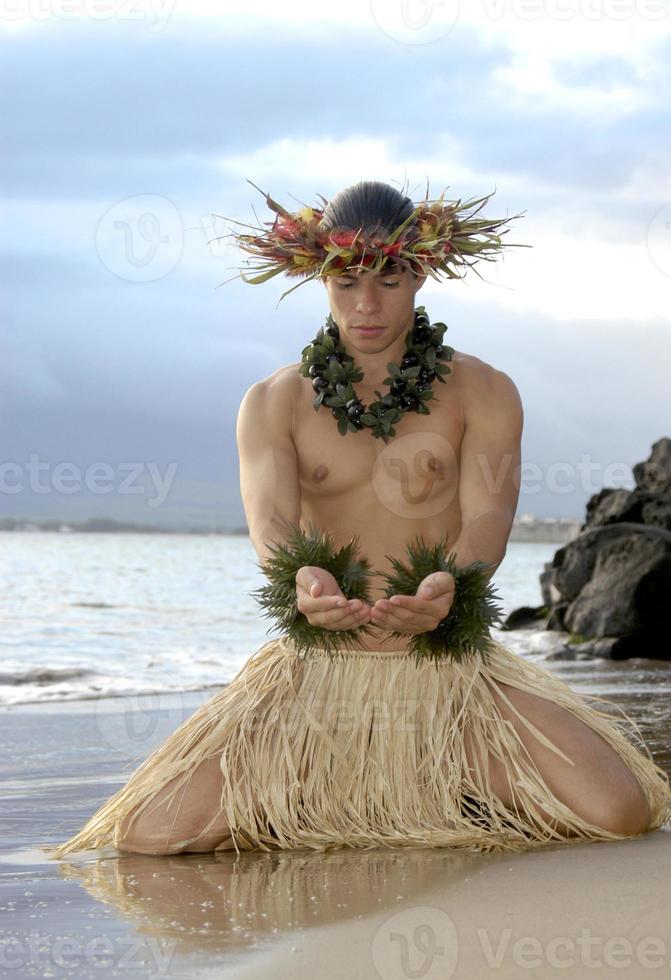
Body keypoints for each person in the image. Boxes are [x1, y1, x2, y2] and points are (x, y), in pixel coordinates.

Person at [43, 180, 671, 859]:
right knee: (151, 834)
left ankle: (439, 778)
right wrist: (301, 578)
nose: (365, 304)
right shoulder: (273, 401)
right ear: (318, 276)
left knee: (618, 813)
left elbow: (488, 514)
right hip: (320, 670)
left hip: (444, 666)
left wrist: (449, 587)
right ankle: (338, 788)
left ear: (421, 272)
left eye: (389, 279)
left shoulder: (483, 390)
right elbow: (271, 520)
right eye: (345, 282)